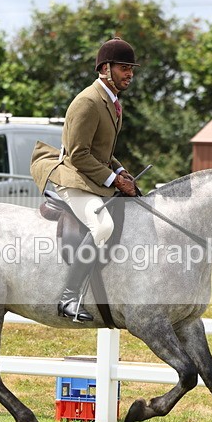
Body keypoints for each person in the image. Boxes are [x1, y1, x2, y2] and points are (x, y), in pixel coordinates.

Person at [30, 37, 138, 322]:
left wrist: (122, 172)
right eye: (123, 68)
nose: (129, 74)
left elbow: (103, 152)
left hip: (91, 174)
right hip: (72, 178)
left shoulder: (112, 102)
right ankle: (68, 298)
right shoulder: (88, 101)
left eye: (131, 69)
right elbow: (78, 155)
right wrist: (114, 180)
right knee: (102, 226)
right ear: (105, 68)